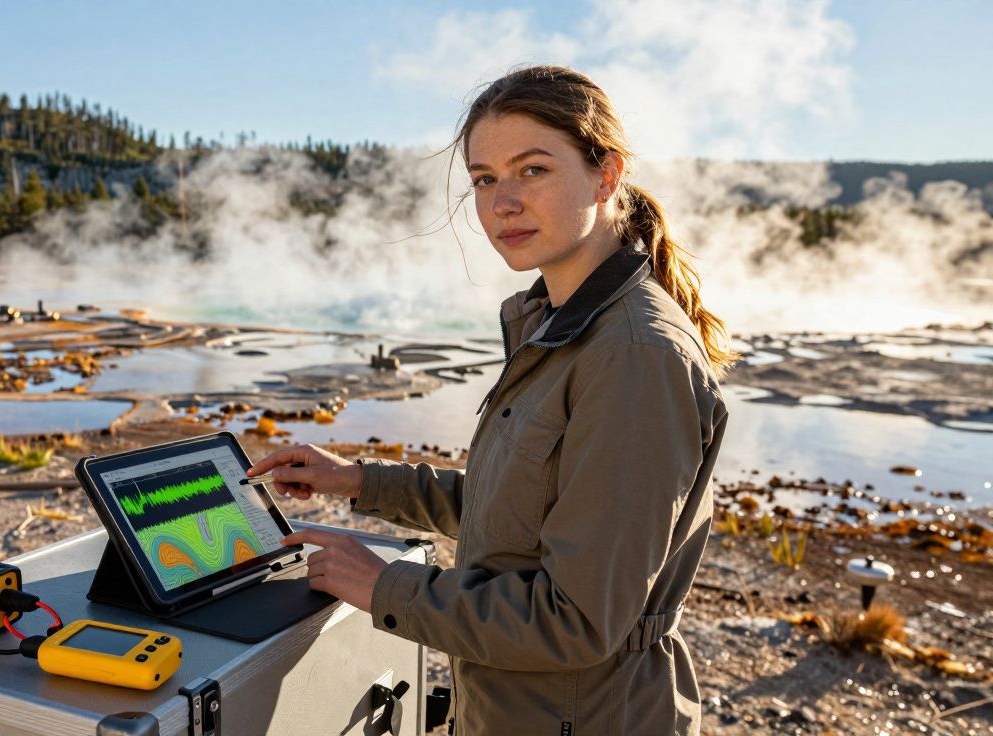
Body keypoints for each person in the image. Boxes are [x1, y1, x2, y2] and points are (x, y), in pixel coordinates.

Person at [247, 65, 732, 735]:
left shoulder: (632, 356)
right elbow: (518, 516)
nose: (502, 202)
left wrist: (383, 586)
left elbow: (576, 621)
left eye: (533, 170)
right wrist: (358, 480)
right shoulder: (558, 323)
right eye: (483, 179)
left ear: (606, 173)